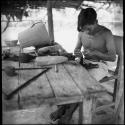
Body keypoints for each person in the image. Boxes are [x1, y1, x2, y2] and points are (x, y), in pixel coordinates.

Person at [50, 7, 116, 124]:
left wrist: (96, 53)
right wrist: (77, 52)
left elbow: (112, 57)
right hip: (84, 63)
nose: (87, 32)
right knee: (66, 75)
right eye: (84, 29)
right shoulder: (82, 33)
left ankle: (68, 114)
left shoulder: (106, 34)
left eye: (89, 28)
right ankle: (63, 107)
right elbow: (76, 48)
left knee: (83, 84)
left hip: (100, 65)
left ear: (96, 22)